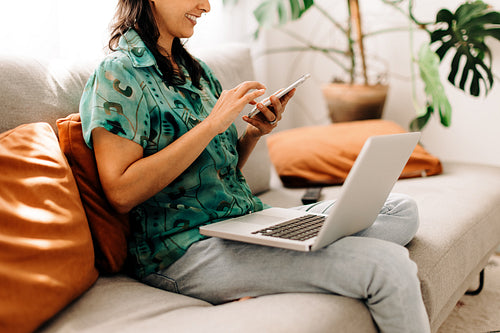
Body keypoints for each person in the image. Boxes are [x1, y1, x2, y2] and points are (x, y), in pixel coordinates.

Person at [79, 0, 431, 332]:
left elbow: (220, 171)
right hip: (182, 250)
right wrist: (212, 124)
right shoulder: (118, 74)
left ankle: (309, 253)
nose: (206, 6)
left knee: (400, 210)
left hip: (244, 222)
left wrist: (251, 135)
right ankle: (315, 260)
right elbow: (121, 192)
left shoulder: (195, 72)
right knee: (388, 265)